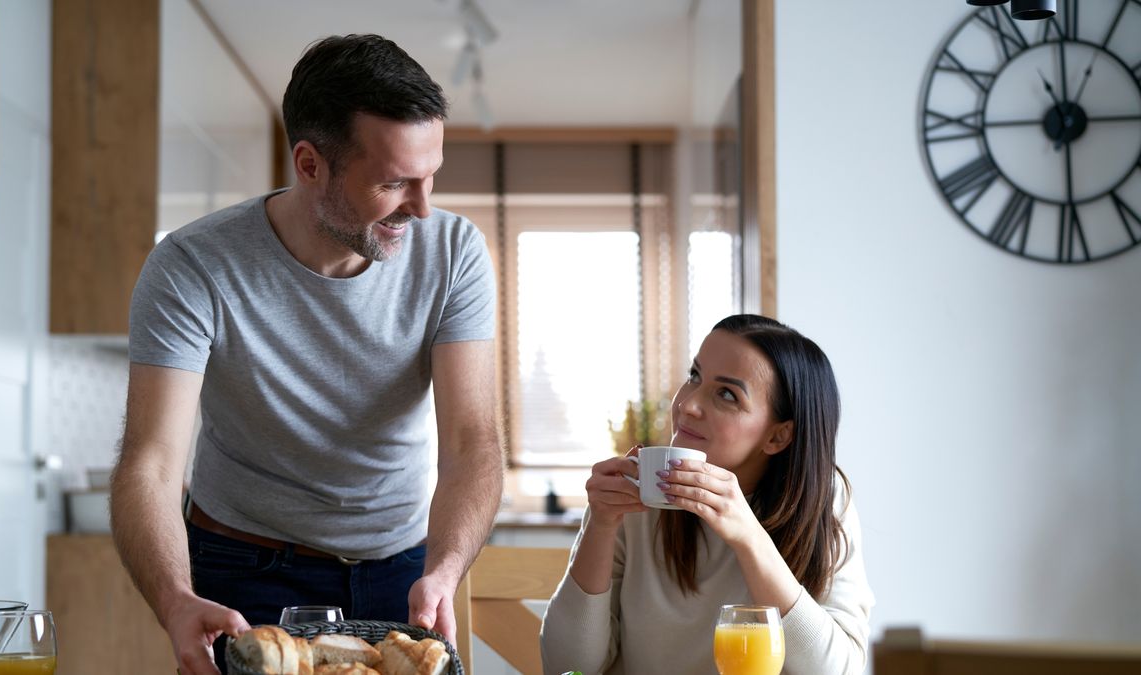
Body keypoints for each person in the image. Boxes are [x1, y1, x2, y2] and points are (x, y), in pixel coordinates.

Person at [110, 34, 503, 675]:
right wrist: (175, 600)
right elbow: (150, 462)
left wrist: (446, 569)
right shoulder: (192, 266)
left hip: (404, 572)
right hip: (243, 570)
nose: (423, 208)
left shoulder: (455, 253)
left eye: (430, 178)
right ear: (310, 163)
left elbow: (472, 441)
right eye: (394, 183)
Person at [540, 314, 874, 675]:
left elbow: (839, 671)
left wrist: (749, 537)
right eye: (694, 376)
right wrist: (601, 526)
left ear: (777, 436)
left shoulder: (822, 503)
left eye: (726, 394)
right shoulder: (639, 493)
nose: (687, 404)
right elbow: (567, 667)